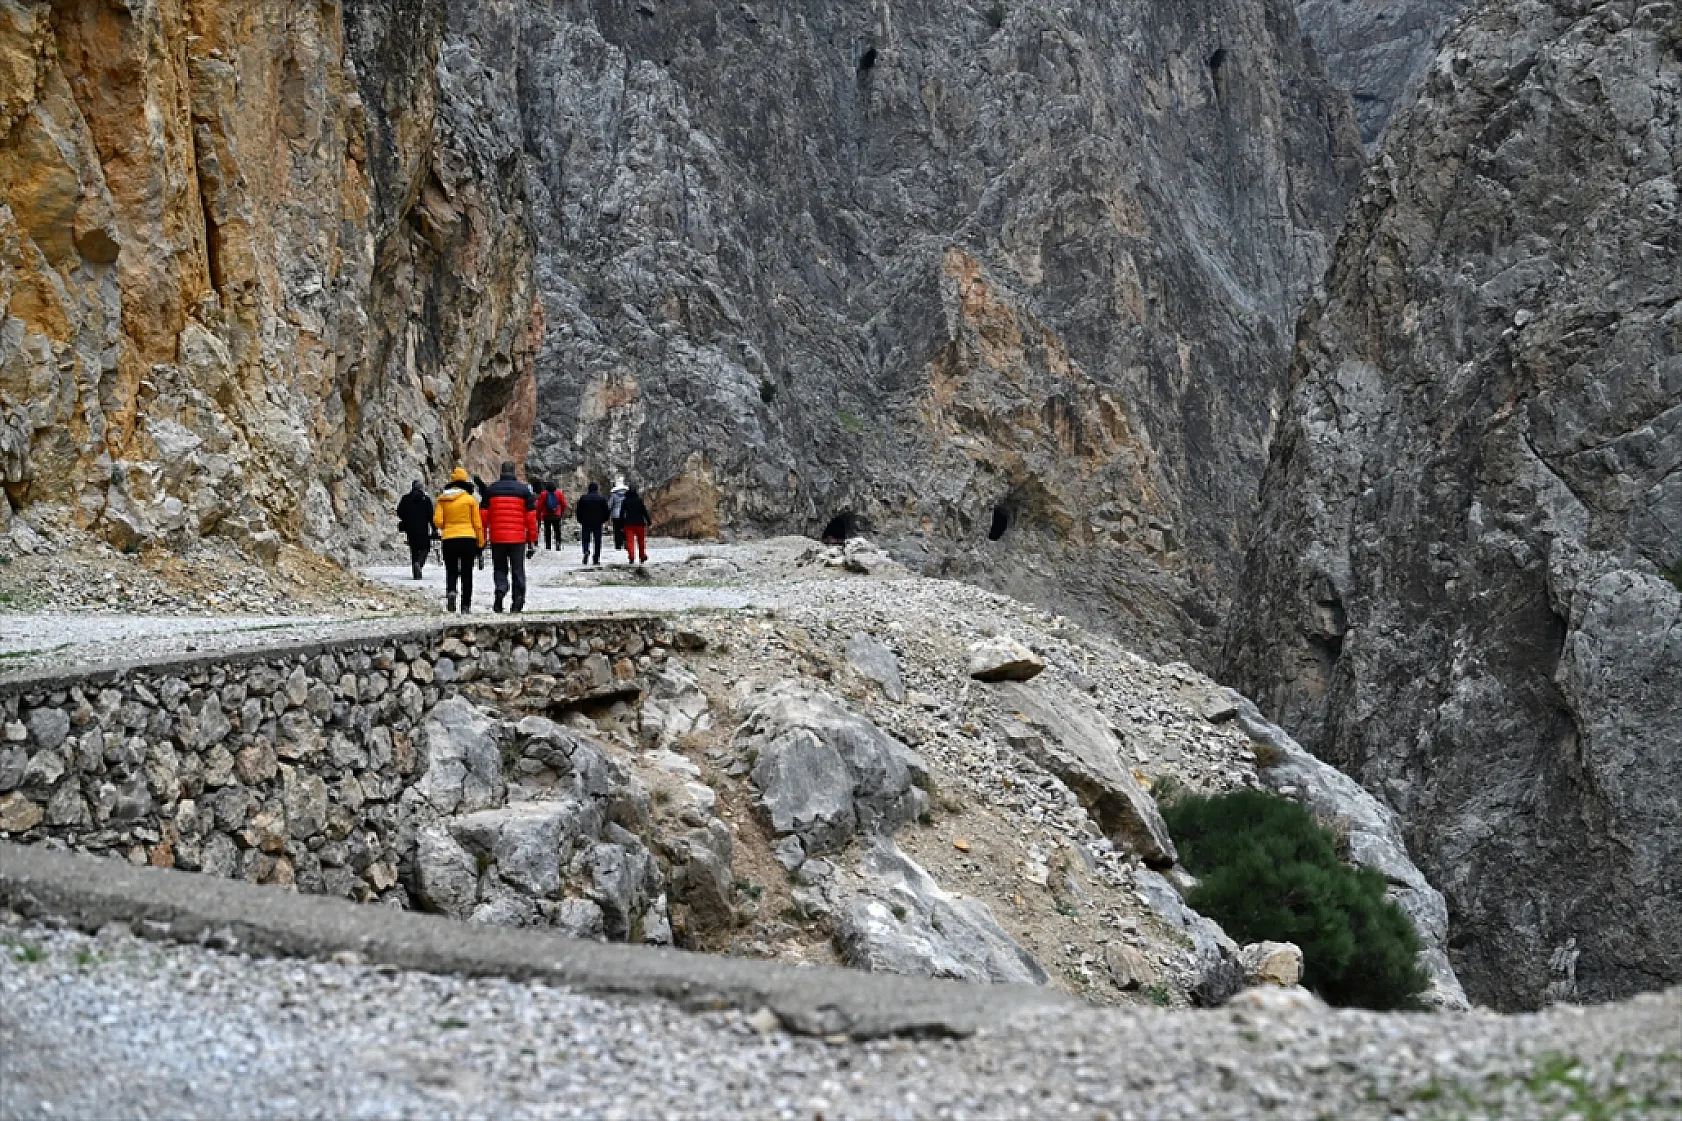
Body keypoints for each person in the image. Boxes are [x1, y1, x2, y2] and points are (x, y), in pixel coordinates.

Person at [483, 461, 538, 613]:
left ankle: (500, 589)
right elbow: (531, 518)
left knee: (500, 568)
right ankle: (517, 601)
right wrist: (532, 539)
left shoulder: (491, 490)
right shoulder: (524, 491)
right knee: (517, 570)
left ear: (501, 472)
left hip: (497, 537)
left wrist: (483, 537)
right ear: (514, 472)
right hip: (517, 538)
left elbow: (483, 516)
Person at [433, 468, 484, 614]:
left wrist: (448, 525)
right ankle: (466, 605)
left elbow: (437, 521)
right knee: (467, 573)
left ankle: (451, 591)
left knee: (451, 569)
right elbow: (477, 524)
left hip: (449, 539)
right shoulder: (470, 499)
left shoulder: (442, 499)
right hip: (468, 539)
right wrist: (480, 543)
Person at [395, 481, 434, 580]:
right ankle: (419, 564)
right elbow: (431, 516)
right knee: (425, 548)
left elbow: (399, 512)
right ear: (421, 488)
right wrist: (434, 528)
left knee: (414, 549)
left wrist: (407, 519)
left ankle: (416, 573)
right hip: (423, 529)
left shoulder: (405, 499)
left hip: (410, 529)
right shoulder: (426, 499)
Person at [574, 482, 609, 567]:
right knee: (597, 540)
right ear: (597, 489)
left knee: (585, 538)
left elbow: (578, 510)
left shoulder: (583, 498)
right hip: (598, 522)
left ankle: (586, 550)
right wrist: (603, 520)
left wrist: (580, 520)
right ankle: (596, 558)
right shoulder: (601, 499)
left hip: (586, 522)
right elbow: (606, 511)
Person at [620, 485, 650, 566]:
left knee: (630, 542)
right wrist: (648, 521)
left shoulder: (625, 501)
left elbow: (622, 514)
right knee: (641, 541)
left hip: (628, 524)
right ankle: (642, 556)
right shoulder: (639, 500)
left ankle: (631, 557)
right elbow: (644, 511)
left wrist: (621, 524)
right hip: (639, 523)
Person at [540, 482, 568, 550]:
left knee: (547, 531)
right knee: (557, 530)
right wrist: (561, 513)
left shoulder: (543, 494)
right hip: (556, 515)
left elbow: (540, 505)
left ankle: (548, 545)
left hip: (547, 515)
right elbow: (564, 504)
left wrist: (539, 515)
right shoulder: (559, 493)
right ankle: (558, 544)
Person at [607, 477, 629, 551]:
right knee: (625, 529)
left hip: (616, 515)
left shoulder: (613, 495)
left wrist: (608, 513)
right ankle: (625, 542)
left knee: (617, 530)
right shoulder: (627, 495)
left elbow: (609, 505)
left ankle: (618, 544)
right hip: (625, 515)